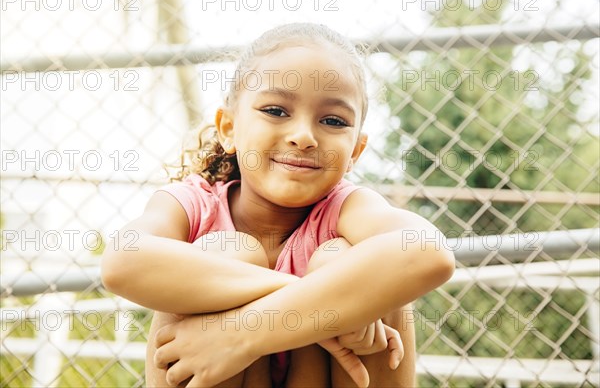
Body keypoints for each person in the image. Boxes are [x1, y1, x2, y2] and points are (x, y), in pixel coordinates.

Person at [101, 22, 455, 387]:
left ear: (356, 152)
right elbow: (121, 261)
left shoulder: (347, 209)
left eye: (333, 120)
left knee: (344, 259)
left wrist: (243, 332)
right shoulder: (195, 203)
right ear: (229, 128)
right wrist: (325, 306)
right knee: (229, 251)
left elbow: (429, 251)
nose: (303, 136)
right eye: (276, 111)